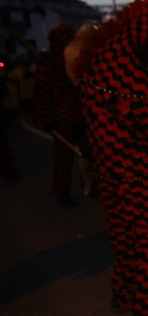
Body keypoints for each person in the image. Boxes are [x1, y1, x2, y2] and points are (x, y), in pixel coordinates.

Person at [75, 0, 148, 316]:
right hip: (135, 168)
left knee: (125, 236)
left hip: (108, 169)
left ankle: (123, 294)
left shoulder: (102, 59)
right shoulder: (127, 66)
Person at [34, 24, 87, 205]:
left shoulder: (48, 63)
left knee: (72, 156)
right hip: (71, 116)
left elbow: (42, 94)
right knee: (84, 154)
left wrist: (45, 119)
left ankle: (68, 191)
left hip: (67, 117)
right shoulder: (72, 60)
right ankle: (87, 187)